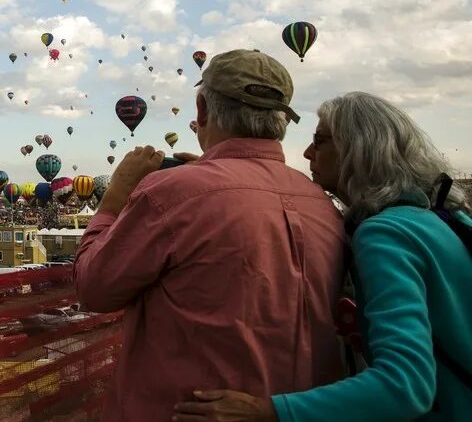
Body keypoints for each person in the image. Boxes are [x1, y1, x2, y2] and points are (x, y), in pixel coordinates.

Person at [74, 49, 347, 421]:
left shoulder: (171, 193)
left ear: (202, 110)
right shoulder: (320, 201)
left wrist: (114, 199)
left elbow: (93, 287)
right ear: (283, 118)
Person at [173, 92, 472, 422]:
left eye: (320, 141)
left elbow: (404, 385)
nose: (307, 152)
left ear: (360, 150)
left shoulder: (384, 234)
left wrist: (268, 410)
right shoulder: (443, 216)